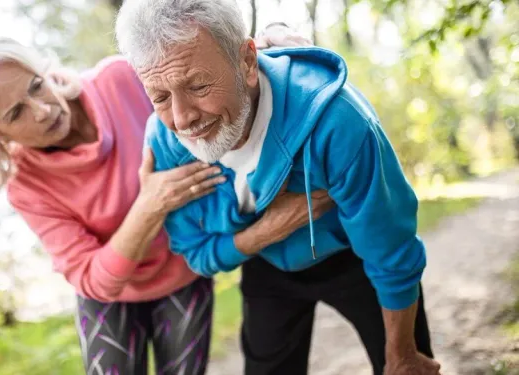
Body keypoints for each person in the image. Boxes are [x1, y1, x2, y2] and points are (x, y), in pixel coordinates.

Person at [0, 27, 325, 375]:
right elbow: (89, 277)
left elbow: (207, 69)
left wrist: (269, 36)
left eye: (36, 85)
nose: (44, 109)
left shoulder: (119, 79)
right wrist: (150, 204)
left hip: (182, 273)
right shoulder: (27, 186)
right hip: (110, 296)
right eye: (16, 112)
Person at [114, 1, 442, 374]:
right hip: (266, 264)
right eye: (159, 97)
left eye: (199, 85)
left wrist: (402, 354)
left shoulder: (337, 121)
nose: (182, 117)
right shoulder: (166, 143)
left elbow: (390, 248)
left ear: (247, 63)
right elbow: (197, 254)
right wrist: (267, 231)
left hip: (354, 255)